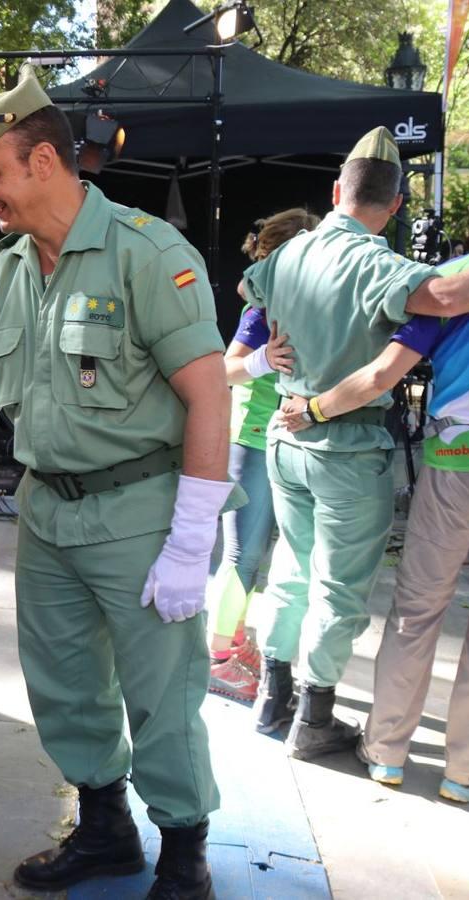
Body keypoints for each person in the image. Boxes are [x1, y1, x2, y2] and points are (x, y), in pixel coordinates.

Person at [0, 69, 236, 899]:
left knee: (161, 695)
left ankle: (185, 855)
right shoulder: (7, 270)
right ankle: (107, 830)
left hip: (140, 511)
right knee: (66, 684)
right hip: (46, 512)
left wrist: (191, 540)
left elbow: (209, 395)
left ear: (44, 160)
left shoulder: (148, 254)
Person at [239, 128, 469, 760]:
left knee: (289, 567)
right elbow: (447, 296)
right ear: (397, 204)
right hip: (346, 443)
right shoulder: (383, 266)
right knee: (339, 589)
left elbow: (250, 293)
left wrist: (282, 355)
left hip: (284, 435)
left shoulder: (286, 253)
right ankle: (315, 718)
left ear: (335, 190)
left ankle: (274, 695)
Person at [206, 210, 316, 702]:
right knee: (241, 553)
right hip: (250, 438)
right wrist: (263, 360)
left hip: (278, 439)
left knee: (253, 554)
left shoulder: (293, 303)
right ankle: (217, 658)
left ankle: (230, 640)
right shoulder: (261, 309)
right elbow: (224, 370)